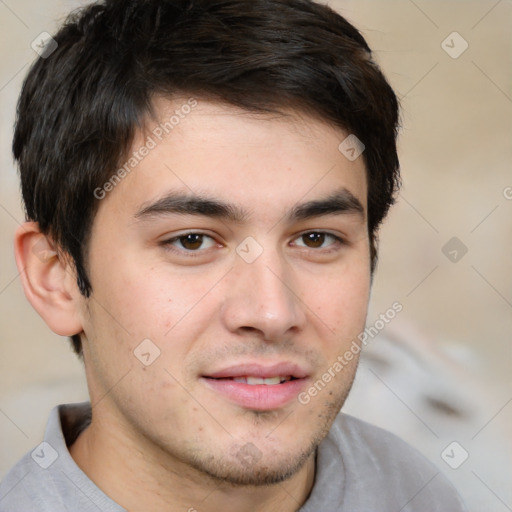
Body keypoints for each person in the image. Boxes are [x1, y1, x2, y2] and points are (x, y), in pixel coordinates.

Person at [0, 0, 467, 510]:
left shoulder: (415, 491)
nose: (271, 312)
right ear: (56, 277)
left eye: (316, 239)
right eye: (192, 240)